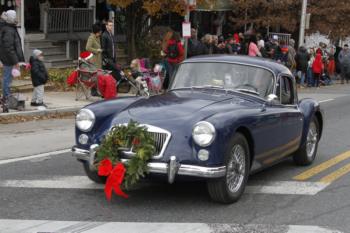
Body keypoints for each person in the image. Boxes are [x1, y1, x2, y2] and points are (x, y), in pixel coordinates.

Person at [0, 10, 25, 105]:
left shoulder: (9, 28)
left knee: (8, 78)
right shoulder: (9, 30)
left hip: (8, 58)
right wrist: (16, 61)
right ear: (11, 18)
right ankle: (6, 98)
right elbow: (9, 48)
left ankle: (6, 97)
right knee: (7, 79)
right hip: (8, 59)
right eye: (15, 17)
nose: (16, 19)